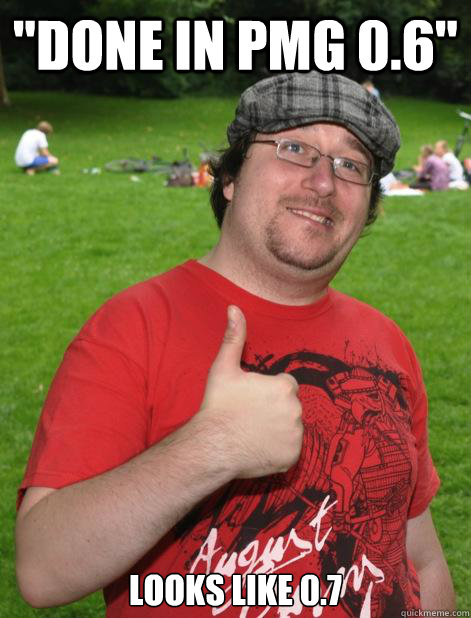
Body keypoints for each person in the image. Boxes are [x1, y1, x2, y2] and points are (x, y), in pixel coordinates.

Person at [16, 72, 455, 618]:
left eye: (352, 165)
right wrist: (212, 447)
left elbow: (421, 559)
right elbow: (43, 570)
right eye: (294, 148)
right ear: (229, 178)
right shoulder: (135, 326)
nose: (323, 182)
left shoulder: (385, 342)